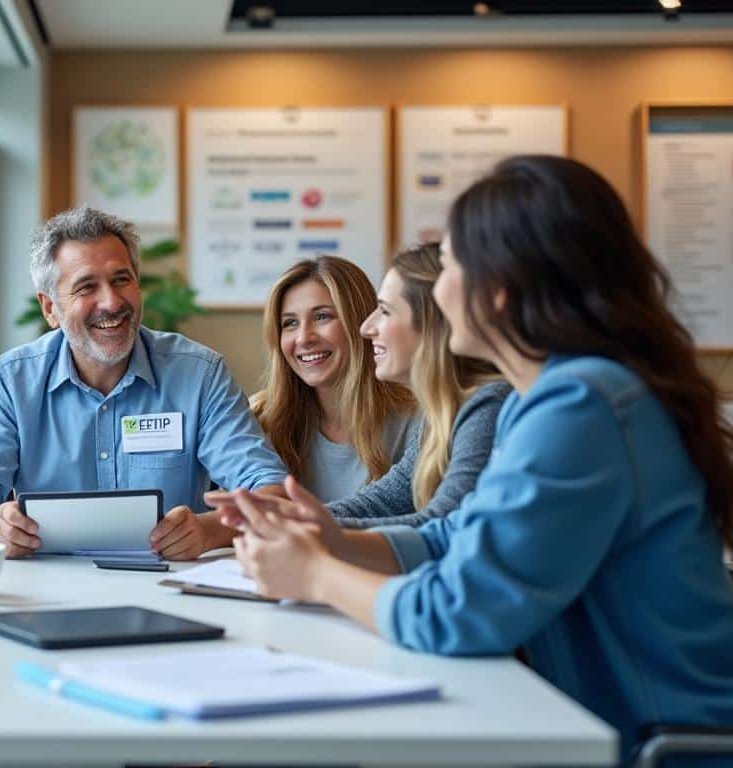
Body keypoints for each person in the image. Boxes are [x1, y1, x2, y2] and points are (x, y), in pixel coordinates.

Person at [217, 155, 733, 756]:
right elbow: (456, 535)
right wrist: (333, 538)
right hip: (599, 730)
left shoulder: (581, 406)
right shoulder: (539, 402)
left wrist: (316, 575)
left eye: (452, 263)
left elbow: (457, 612)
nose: (438, 289)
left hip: (667, 748)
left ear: (500, 286)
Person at [0, 206, 289, 560]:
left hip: (168, 583)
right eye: (86, 287)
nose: (111, 301)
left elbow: (272, 493)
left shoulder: (199, 374)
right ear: (49, 309)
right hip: (50, 583)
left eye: (121, 279)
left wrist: (209, 530)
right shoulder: (14, 380)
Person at [328, 243, 510, 528]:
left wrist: (316, 529)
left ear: (433, 325)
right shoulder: (441, 411)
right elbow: (387, 499)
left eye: (385, 311)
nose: (366, 328)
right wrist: (291, 518)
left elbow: (444, 523)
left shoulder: (488, 406)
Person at [253, 256, 417, 503]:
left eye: (322, 317)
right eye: (290, 323)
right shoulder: (261, 419)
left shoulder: (418, 420)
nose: (304, 338)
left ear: (361, 321)